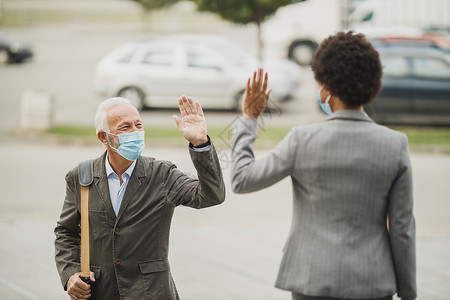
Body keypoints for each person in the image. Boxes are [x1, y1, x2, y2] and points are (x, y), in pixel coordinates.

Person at [231, 32, 416, 300]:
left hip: (311, 280)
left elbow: (242, 179)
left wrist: (249, 118)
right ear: (373, 84)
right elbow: (402, 227)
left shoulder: (301, 140)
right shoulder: (395, 144)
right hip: (373, 282)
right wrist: (408, 292)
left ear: (325, 86)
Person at [54, 96, 225, 300]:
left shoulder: (162, 174)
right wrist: (70, 273)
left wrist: (200, 144)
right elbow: (66, 232)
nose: (135, 132)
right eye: (125, 127)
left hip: (152, 293)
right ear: (103, 137)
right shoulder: (81, 177)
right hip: (100, 292)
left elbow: (211, 196)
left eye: (138, 125)